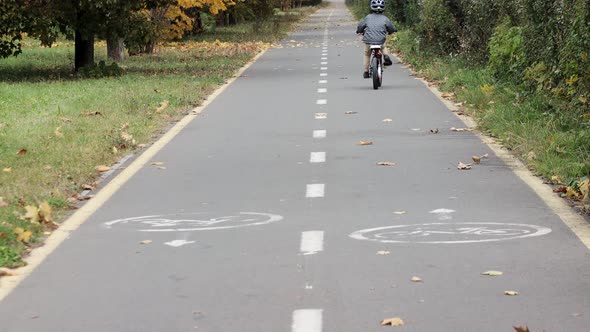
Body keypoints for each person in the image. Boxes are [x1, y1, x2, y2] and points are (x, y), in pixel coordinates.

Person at [356, 0, 397, 78]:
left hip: (369, 41)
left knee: (367, 54)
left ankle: (366, 71)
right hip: (380, 40)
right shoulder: (385, 18)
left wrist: (359, 31)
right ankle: (386, 56)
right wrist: (392, 31)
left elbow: (361, 26)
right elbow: (391, 28)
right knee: (383, 46)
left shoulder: (367, 17)